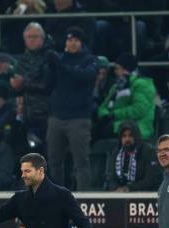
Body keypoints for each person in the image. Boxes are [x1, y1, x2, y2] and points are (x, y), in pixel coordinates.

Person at [46, 26, 98, 190]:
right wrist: (48, 66)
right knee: (54, 161)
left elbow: (84, 76)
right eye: (69, 40)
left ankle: (84, 197)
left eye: (76, 40)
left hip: (79, 118)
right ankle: (56, 196)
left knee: (81, 161)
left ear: (81, 43)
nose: (72, 43)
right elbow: (48, 85)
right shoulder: (59, 59)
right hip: (56, 117)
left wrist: (60, 64)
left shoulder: (90, 60)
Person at [97, 52, 156, 140]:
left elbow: (139, 110)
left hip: (138, 127)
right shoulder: (117, 86)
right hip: (118, 123)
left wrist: (114, 115)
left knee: (99, 132)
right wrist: (105, 115)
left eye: (117, 68)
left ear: (126, 69)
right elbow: (103, 106)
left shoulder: (142, 84)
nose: (115, 71)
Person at [106, 121, 160, 192]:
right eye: (124, 136)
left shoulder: (148, 151)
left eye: (130, 135)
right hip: (120, 195)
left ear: (136, 136)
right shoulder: (116, 153)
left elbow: (150, 180)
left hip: (145, 195)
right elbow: (111, 178)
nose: (127, 139)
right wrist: (116, 188)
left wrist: (129, 188)